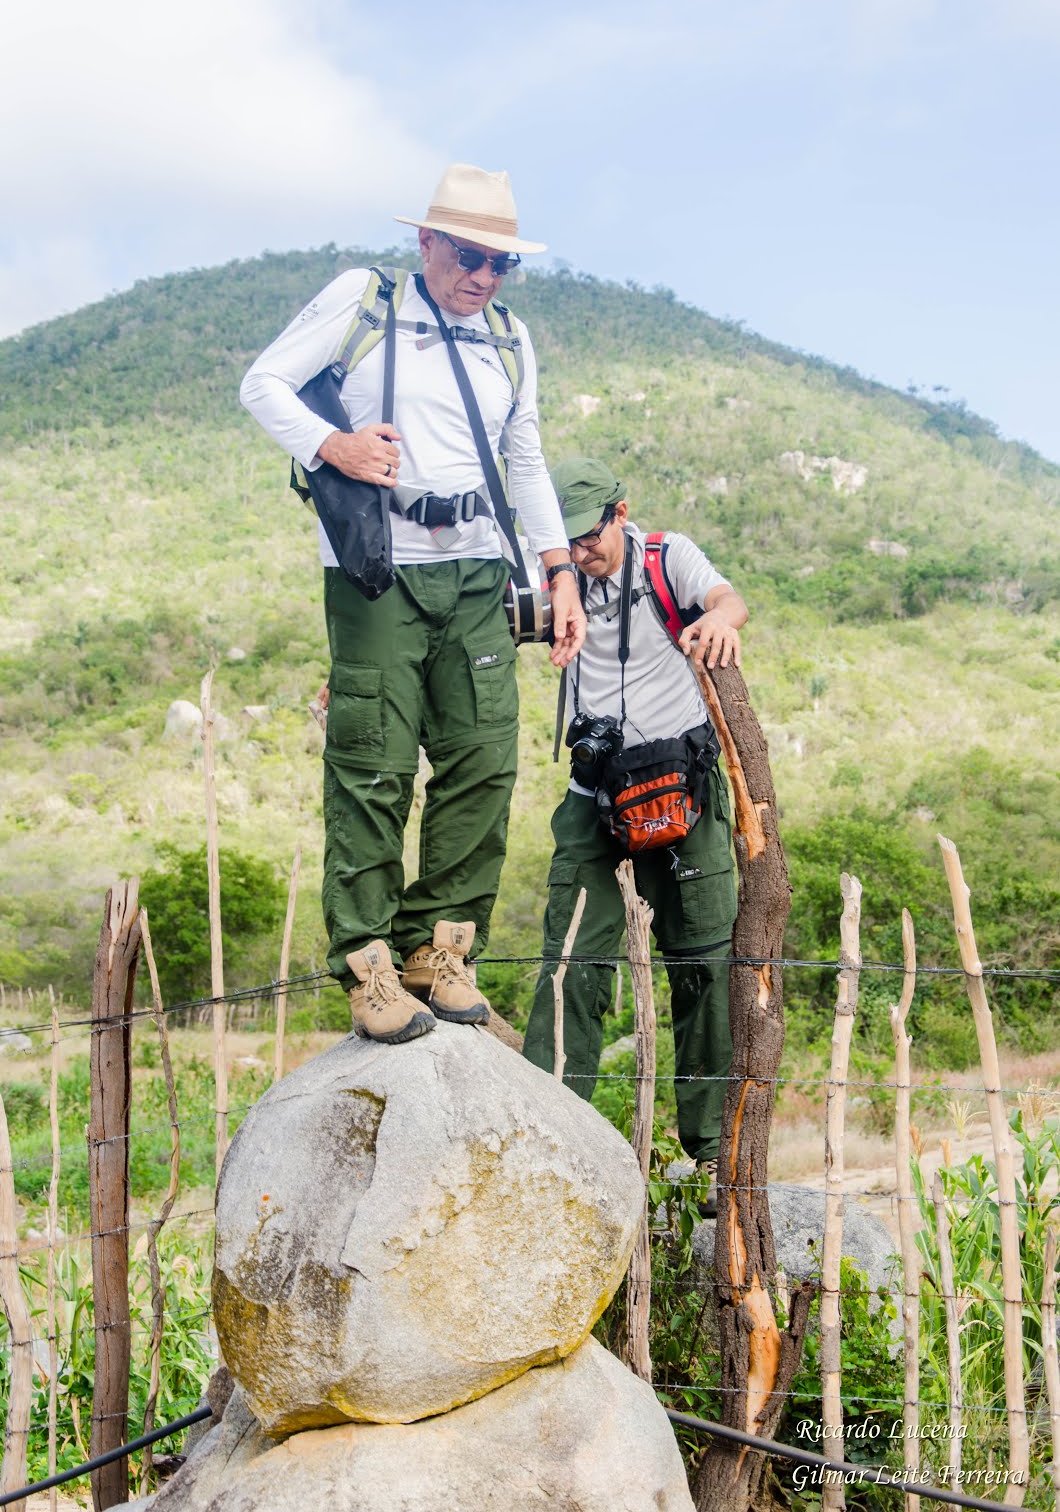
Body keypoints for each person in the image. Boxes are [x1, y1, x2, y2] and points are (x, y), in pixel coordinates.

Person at [240, 164, 585, 1045]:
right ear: (426, 241)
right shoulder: (364, 300)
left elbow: (526, 456)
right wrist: (337, 446)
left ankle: (441, 954)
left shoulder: (509, 335)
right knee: (375, 764)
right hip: (377, 569)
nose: (484, 277)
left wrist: (559, 571)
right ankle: (369, 968)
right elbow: (264, 384)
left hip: (477, 573)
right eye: (470, 255)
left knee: (483, 760)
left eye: (501, 264)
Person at [521, 458, 747, 1214]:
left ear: (621, 513)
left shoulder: (665, 557)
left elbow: (726, 599)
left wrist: (717, 619)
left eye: (588, 538)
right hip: (597, 791)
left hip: (681, 787)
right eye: (566, 543)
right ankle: (550, 1141)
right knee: (571, 959)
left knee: (706, 965)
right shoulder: (556, 571)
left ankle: (713, 1153)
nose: (578, 554)